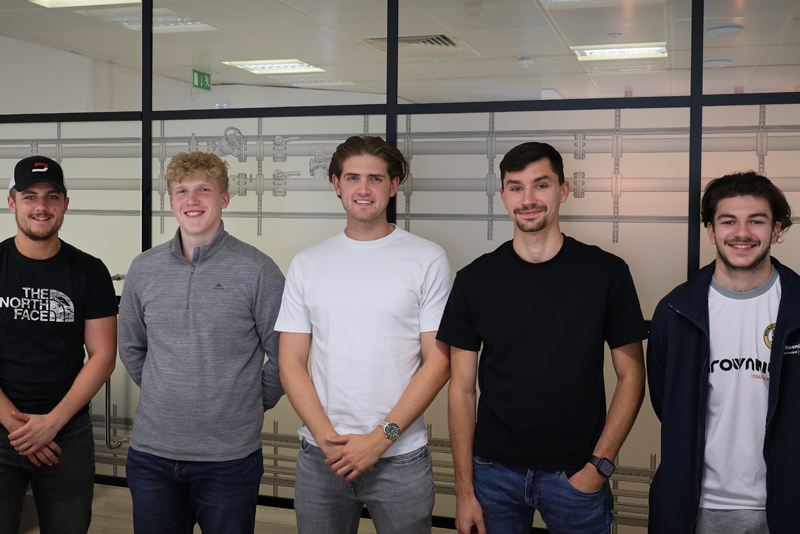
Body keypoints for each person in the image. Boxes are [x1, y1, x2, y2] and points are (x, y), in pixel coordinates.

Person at [438, 142, 647, 534]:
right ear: (503, 196)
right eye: (516, 187)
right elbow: (461, 390)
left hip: (577, 476)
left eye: (541, 185)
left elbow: (632, 375)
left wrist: (599, 467)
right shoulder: (474, 280)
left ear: (563, 190)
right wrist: (464, 490)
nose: (528, 199)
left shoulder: (607, 273)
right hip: (493, 475)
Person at [276, 135, 452, 534]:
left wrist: (379, 439)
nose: (363, 189)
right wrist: (328, 440)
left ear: (393, 185)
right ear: (336, 184)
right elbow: (290, 362)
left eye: (376, 178)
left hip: (400, 458)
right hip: (321, 458)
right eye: (352, 178)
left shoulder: (427, 259)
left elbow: (439, 361)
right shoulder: (307, 263)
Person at [118, 151, 285, 533]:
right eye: (182, 191)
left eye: (203, 190)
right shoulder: (144, 268)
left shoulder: (258, 270)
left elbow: (284, 354)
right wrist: (165, 389)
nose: (191, 200)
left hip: (230, 459)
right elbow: (131, 347)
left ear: (224, 198)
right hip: (152, 456)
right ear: (171, 201)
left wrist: (247, 401)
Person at [648, 171, 799, 534]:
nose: (742, 233)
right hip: (696, 508)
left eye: (756, 221)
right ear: (711, 231)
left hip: (786, 507)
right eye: (728, 221)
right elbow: (667, 404)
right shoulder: (674, 312)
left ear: (776, 229)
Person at [0, 156, 118, 534]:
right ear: (12, 202)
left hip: (67, 433)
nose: (41, 207)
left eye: (52, 197)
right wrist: (19, 427)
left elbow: (103, 355)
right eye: (30, 196)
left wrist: (52, 423)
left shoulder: (90, 271)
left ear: (65, 204)